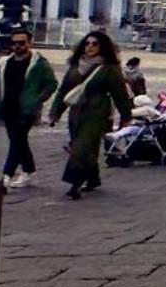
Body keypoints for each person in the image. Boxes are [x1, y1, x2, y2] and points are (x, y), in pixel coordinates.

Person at [50, 30, 129, 199]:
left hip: (96, 112)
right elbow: (64, 90)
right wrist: (55, 112)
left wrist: (125, 115)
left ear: (102, 47)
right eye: (87, 43)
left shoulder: (109, 69)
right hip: (76, 113)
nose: (90, 47)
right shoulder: (75, 65)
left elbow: (119, 93)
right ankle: (93, 178)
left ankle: (75, 184)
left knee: (81, 148)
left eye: (95, 44)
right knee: (87, 147)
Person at [0, 27, 57, 189]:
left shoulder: (39, 64)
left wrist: (37, 100)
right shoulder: (4, 63)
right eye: (14, 43)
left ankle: (6, 176)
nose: (17, 46)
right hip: (8, 107)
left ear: (30, 43)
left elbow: (52, 84)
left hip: (27, 110)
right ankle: (28, 170)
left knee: (17, 141)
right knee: (18, 140)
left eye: (21, 43)